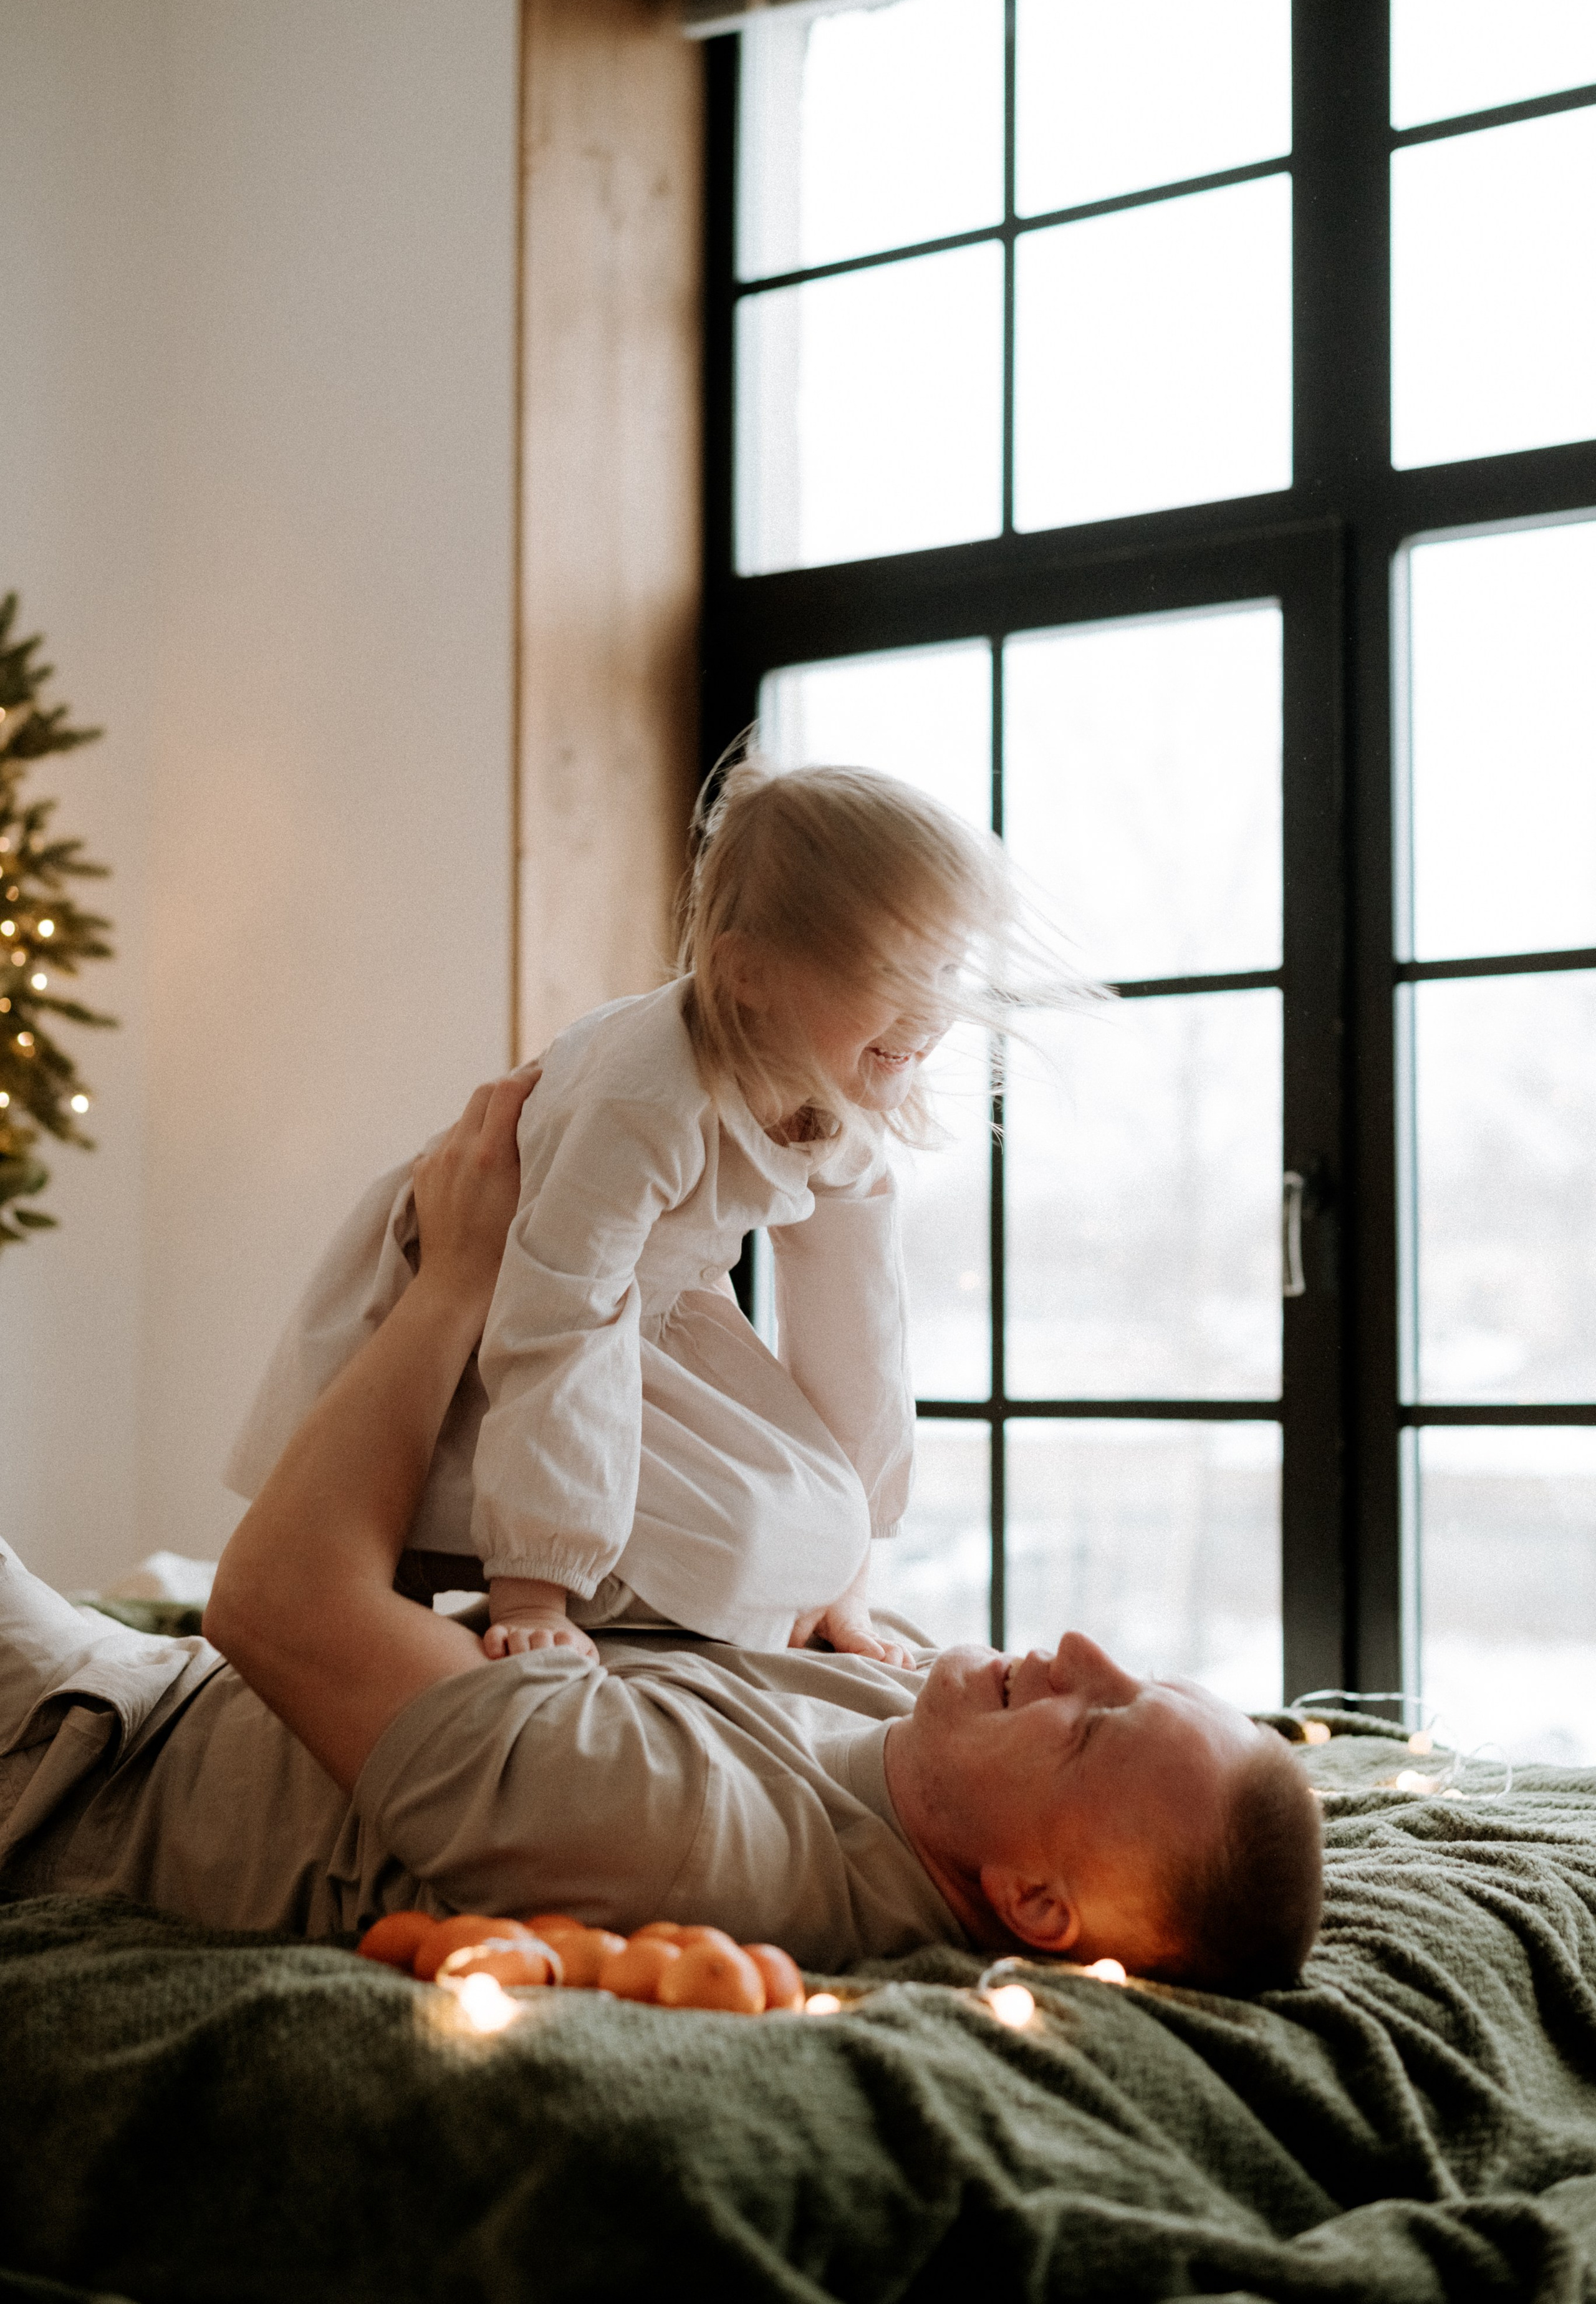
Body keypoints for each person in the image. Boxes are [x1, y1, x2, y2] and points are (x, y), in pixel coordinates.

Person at [0, 1074, 1322, 1989]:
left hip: (76, 1757)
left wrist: (460, 1278)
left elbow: (277, 1603)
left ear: (1037, 1906)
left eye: (1095, 1722)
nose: (1082, 1649)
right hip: (142, 1683)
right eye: (1128, 1675)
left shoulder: (699, 1840)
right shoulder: (917, 1738)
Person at [228, 756, 1075, 1671]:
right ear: (748, 974)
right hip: (500, 1275)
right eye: (897, 970)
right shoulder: (649, 1098)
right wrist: (535, 1584)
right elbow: (558, 1310)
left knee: (809, 1526)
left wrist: (852, 1568)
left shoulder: (833, 1100)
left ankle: (680, 1572)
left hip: (640, 1304)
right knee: (458, 1527)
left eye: (947, 968)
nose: (934, 1010)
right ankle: (503, 1568)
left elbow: (860, 1329)